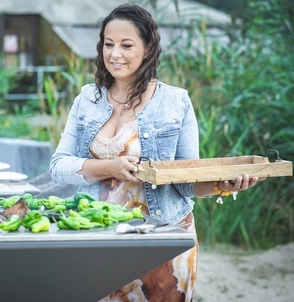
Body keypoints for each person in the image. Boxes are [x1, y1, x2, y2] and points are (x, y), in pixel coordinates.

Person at [49, 4, 262, 302]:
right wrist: (110, 167)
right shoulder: (87, 99)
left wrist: (219, 185)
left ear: (148, 48)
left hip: (164, 240)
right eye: (108, 45)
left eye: (126, 45)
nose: (115, 54)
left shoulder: (176, 102)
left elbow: (187, 182)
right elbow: (59, 166)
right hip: (101, 235)